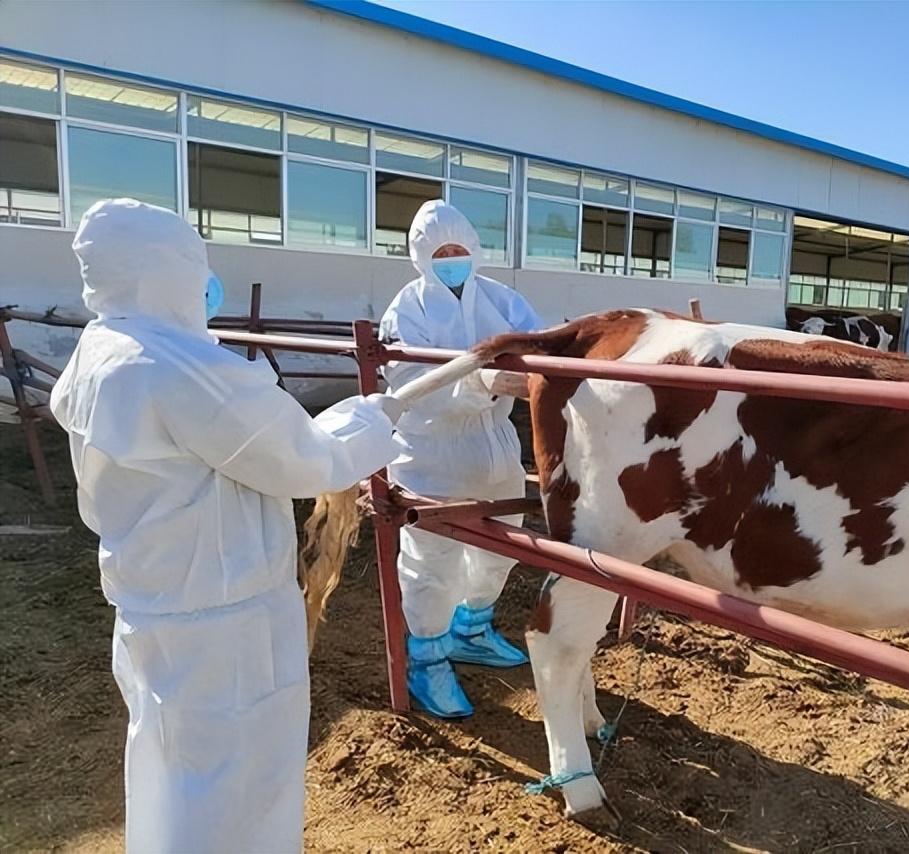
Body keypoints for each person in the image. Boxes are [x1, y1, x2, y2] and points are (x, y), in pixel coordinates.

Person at [50, 198, 404, 853]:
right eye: (192, 263)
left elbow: (252, 445)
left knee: (170, 771)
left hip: (152, 604)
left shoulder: (100, 350)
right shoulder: (180, 367)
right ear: (157, 269)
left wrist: (337, 426)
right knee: (234, 790)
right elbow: (303, 461)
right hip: (226, 623)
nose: (203, 281)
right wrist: (370, 420)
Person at [379, 200, 544, 719]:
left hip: (495, 446)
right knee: (432, 560)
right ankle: (426, 660)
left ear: (473, 249)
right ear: (421, 257)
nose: (451, 258)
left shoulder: (502, 299)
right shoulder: (407, 308)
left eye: (458, 249)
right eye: (439, 252)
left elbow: (535, 348)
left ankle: (472, 628)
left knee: (501, 544)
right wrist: (481, 381)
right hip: (432, 452)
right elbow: (410, 385)